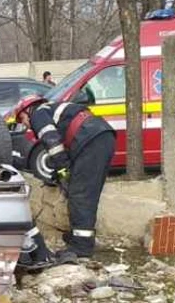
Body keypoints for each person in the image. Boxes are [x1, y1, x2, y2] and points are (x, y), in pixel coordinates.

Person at [13, 94, 115, 264]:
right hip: (98, 136)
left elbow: (52, 141)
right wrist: (61, 172)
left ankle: (82, 248)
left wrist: (62, 167)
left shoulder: (38, 113)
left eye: (22, 118)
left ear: (28, 110)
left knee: (80, 195)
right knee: (84, 190)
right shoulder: (52, 110)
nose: (24, 124)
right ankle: (79, 236)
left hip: (90, 139)